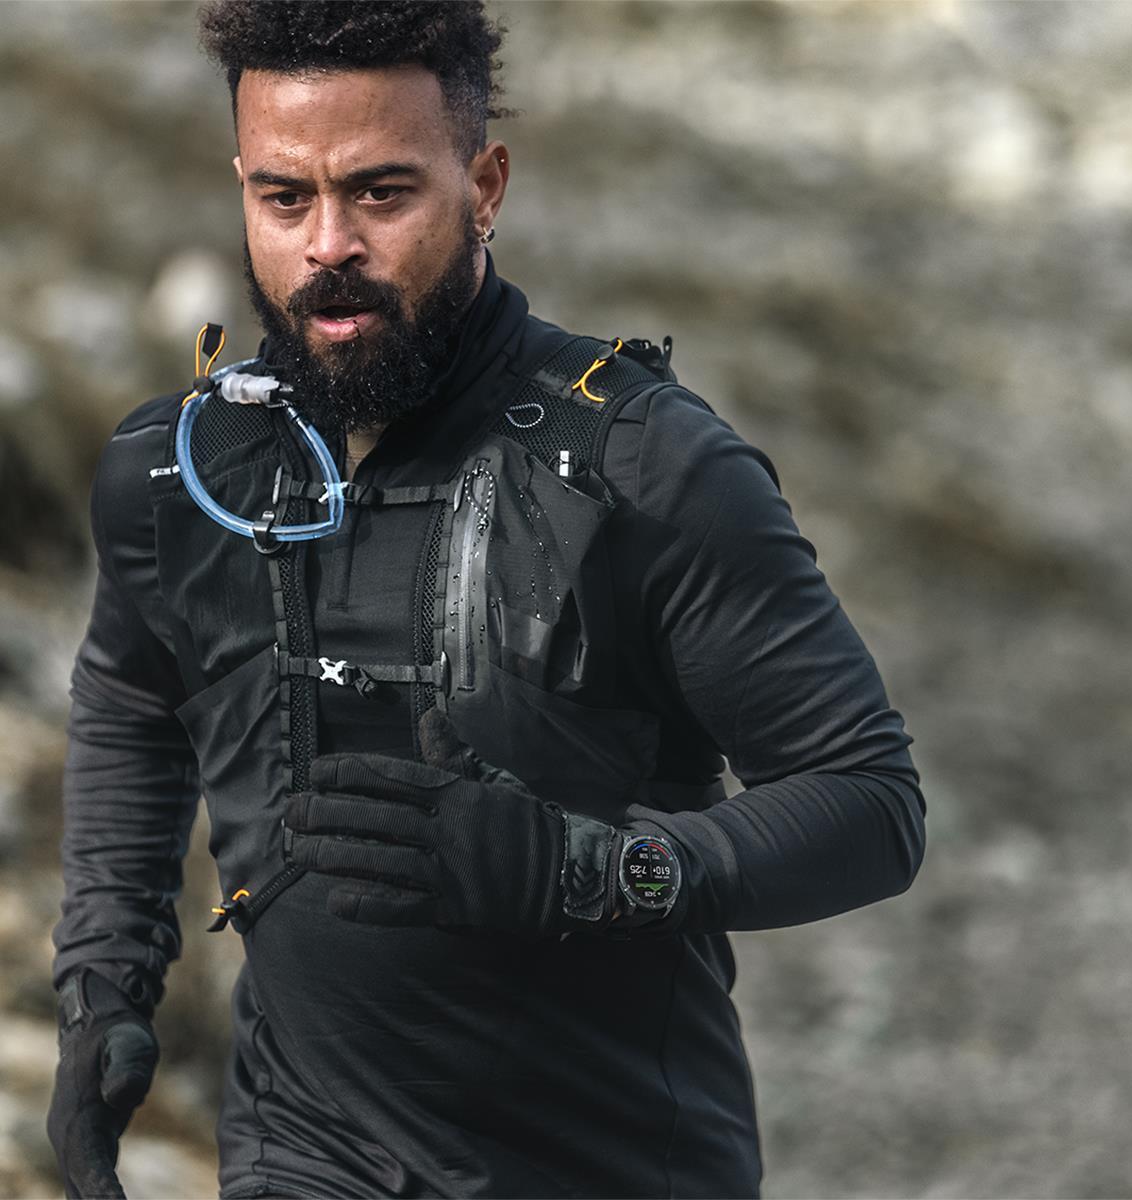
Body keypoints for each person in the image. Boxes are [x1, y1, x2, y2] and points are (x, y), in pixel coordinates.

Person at [46, 3, 927, 1198]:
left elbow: (870, 803)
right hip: (300, 1159)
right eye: (285, 198)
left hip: (614, 1169)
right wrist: (103, 987)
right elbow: (130, 708)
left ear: (485, 185)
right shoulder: (182, 473)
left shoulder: (650, 470)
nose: (329, 246)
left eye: (381, 193)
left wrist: (581, 867)